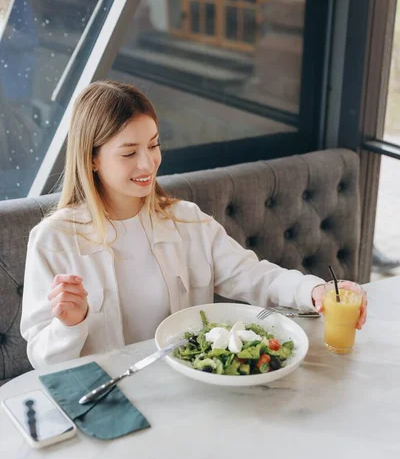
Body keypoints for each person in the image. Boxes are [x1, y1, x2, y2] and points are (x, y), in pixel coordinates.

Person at [20, 80, 367, 368]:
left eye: (153, 145)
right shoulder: (53, 241)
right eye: (128, 153)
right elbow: (41, 359)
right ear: (92, 159)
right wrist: (70, 324)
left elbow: (256, 276)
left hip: (190, 388)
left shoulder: (187, 221)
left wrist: (314, 291)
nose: (147, 163)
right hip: (111, 401)